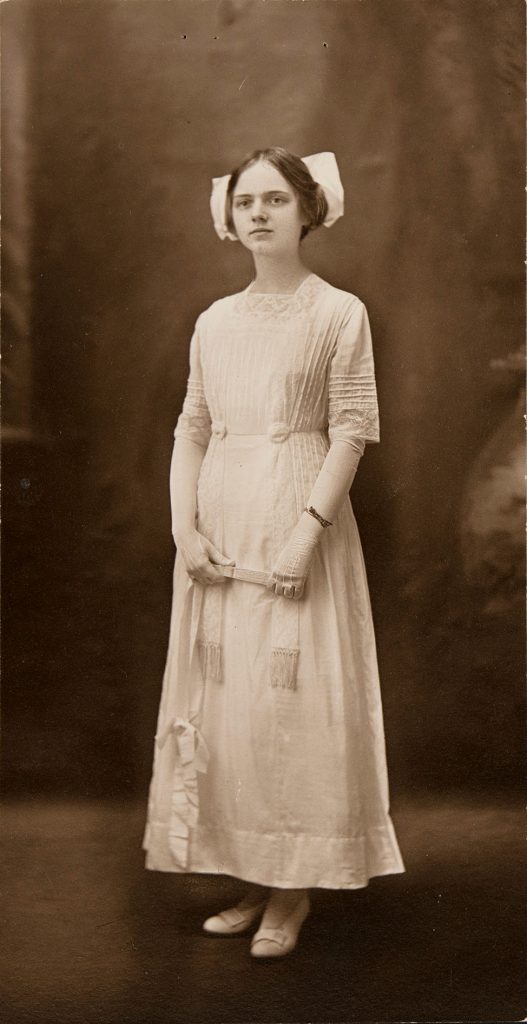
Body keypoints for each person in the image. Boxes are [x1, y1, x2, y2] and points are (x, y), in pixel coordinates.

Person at [143, 148, 405, 958]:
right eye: (245, 201)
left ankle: (294, 890)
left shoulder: (338, 312)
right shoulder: (214, 322)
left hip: (297, 522)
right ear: (229, 216)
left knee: (292, 704)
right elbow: (191, 430)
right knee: (234, 709)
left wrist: (303, 536)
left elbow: (352, 429)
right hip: (219, 531)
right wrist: (185, 530)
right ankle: (255, 872)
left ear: (307, 211)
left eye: (276, 200)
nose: (258, 213)